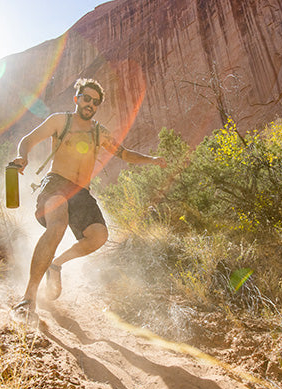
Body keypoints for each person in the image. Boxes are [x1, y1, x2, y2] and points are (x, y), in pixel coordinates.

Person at [11, 78, 166, 321]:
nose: (90, 104)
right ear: (77, 99)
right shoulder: (60, 121)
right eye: (86, 98)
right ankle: (28, 299)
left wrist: (152, 159)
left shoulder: (99, 132)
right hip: (56, 185)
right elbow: (28, 140)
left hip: (81, 192)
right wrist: (23, 157)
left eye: (95, 102)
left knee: (99, 236)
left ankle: (56, 264)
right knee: (58, 226)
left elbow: (124, 153)